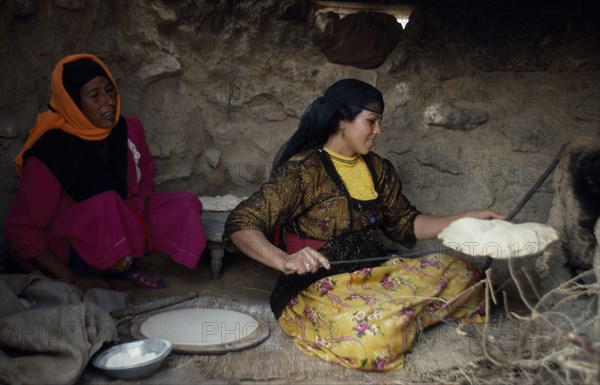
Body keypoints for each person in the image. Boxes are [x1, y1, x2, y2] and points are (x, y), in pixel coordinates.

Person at [223, 79, 505, 371]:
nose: (378, 131)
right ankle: (398, 317)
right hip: (318, 286)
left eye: (379, 122)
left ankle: (397, 314)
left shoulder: (378, 169)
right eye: (371, 121)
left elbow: (407, 224)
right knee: (376, 339)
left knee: (468, 276)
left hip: (374, 275)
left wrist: (465, 219)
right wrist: (285, 260)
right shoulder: (303, 172)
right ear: (343, 120)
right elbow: (241, 224)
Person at [4, 53, 207, 290]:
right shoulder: (50, 152)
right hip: (69, 249)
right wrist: (72, 278)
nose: (108, 101)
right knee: (107, 203)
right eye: (95, 95)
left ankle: (123, 262)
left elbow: (147, 173)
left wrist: (133, 220)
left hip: (115, 225)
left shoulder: (128, 129)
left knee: (183, 204)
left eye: (110, 91)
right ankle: (113, 269)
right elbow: (21, 231)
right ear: (73, 103)